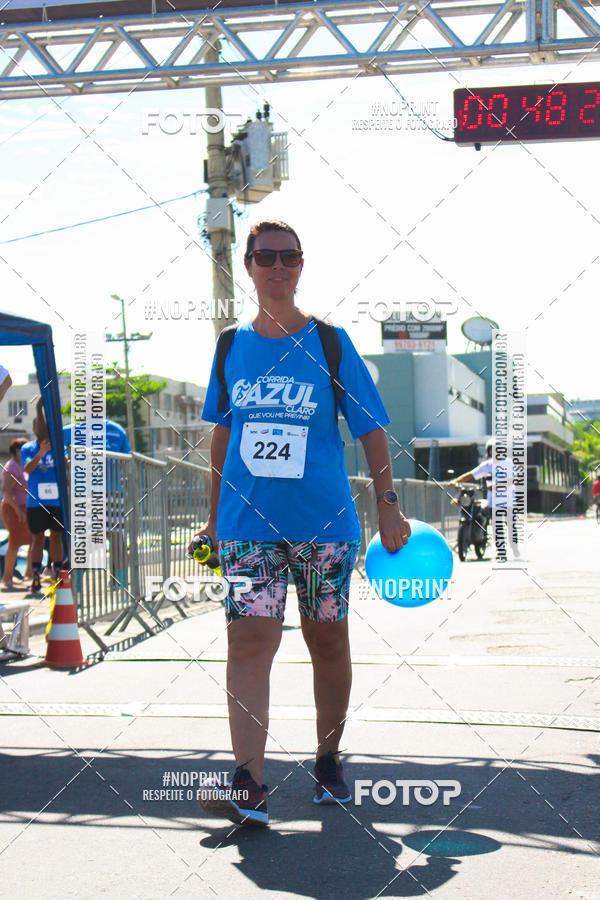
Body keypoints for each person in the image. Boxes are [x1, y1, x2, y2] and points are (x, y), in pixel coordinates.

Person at [192, 220, 411, 828]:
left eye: (289, 256)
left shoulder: (331, 342)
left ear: (301, 264)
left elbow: (370, 428)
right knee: (249, 641)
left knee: (328, 640)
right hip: (247, 528)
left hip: (324, 525)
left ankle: (328, 758)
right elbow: (222, 434)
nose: (278, 266)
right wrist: (213, 520)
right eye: (267, 256)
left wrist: (387, 503)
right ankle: (249, 781)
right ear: (249, 265)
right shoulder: (231, 346)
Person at [63, 417, 131, 586]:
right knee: (116, 538)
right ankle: (121, 585)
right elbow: (127, 459)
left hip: (87, 493)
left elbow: (50, 440)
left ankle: (77, 587)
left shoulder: (73, 430)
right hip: (113, 490)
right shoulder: (116, 429)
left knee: (85, 539)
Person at [20, 400, 66, 594]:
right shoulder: (28, 448)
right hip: (36, 502)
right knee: (37, 538)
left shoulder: (58, 447)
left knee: (56, 537)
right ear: (34, 428)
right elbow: (27, 469)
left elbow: (65, 466)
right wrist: (41, 453)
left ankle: (56, 572)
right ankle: (36, 576)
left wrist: (57, 452)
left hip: (56, 501)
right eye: (39, 425)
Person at [450, 439, 520, 558]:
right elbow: (471, 474)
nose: (495, 452)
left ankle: (514, 547)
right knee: (497, 527)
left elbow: (513, 479)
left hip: (508, 501)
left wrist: (497, 485)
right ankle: (501, 551)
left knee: (511, 525)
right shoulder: (487, 465)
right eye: (492, 450)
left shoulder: (508, 462)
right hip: (494, 502)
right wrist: (455, 481)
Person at [1, 438, 33, 589]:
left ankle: (30, 574)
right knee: (14, 541)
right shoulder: (12, 466)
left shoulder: (25, 465)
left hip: (27, 508)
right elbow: (7, 492)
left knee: (33, 540)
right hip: (13, 509)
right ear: (18, 451)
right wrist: (18, 511)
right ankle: (7, 578)